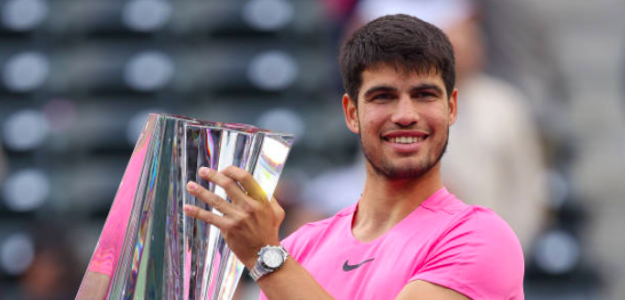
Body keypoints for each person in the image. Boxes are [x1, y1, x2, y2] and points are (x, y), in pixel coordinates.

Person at [184, 14, 524, 299]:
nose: (406, 114)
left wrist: (263, 255)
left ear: (451, 108)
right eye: (383, 97)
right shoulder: (300, 246)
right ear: (351, 113)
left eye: (423, 95)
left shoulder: (480, 238)